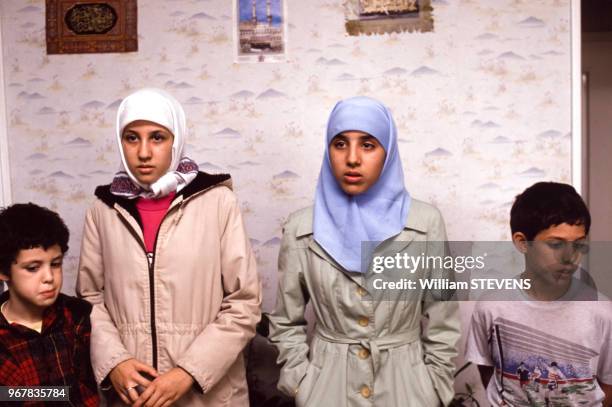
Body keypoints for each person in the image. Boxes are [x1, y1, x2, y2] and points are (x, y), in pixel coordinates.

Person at [268, 96, 460, 406]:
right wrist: (301, 382)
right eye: (340, 144)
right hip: (326, 389)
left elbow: (443, 319)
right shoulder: (301, 228)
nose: (353, 158)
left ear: (388, 152)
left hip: (407, 390)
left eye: (368, 145)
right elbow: (286, 321)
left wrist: (433, 387)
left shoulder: (425, 224)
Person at [77, 88, 261, 406]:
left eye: (158, 137)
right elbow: (90, 299)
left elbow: (244, 301)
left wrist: (189, 372)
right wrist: (115, 362)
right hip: (135, 392)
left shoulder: (218, 200)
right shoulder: (103, 208)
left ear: (175, 140)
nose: (144, 152)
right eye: (132, 138)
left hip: (209, 393)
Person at [465, 182, 612, 407]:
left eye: (579, 244)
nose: (570, 256)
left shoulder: (602, 311)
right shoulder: (492, 305)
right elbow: (487, 365)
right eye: (555, 244)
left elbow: (608, 384)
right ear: (523, 242)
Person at [0, 203, 99, 406]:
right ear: (3, 271)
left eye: (55, 264)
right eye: (33, 268)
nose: (49, 278)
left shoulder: (78, 316)